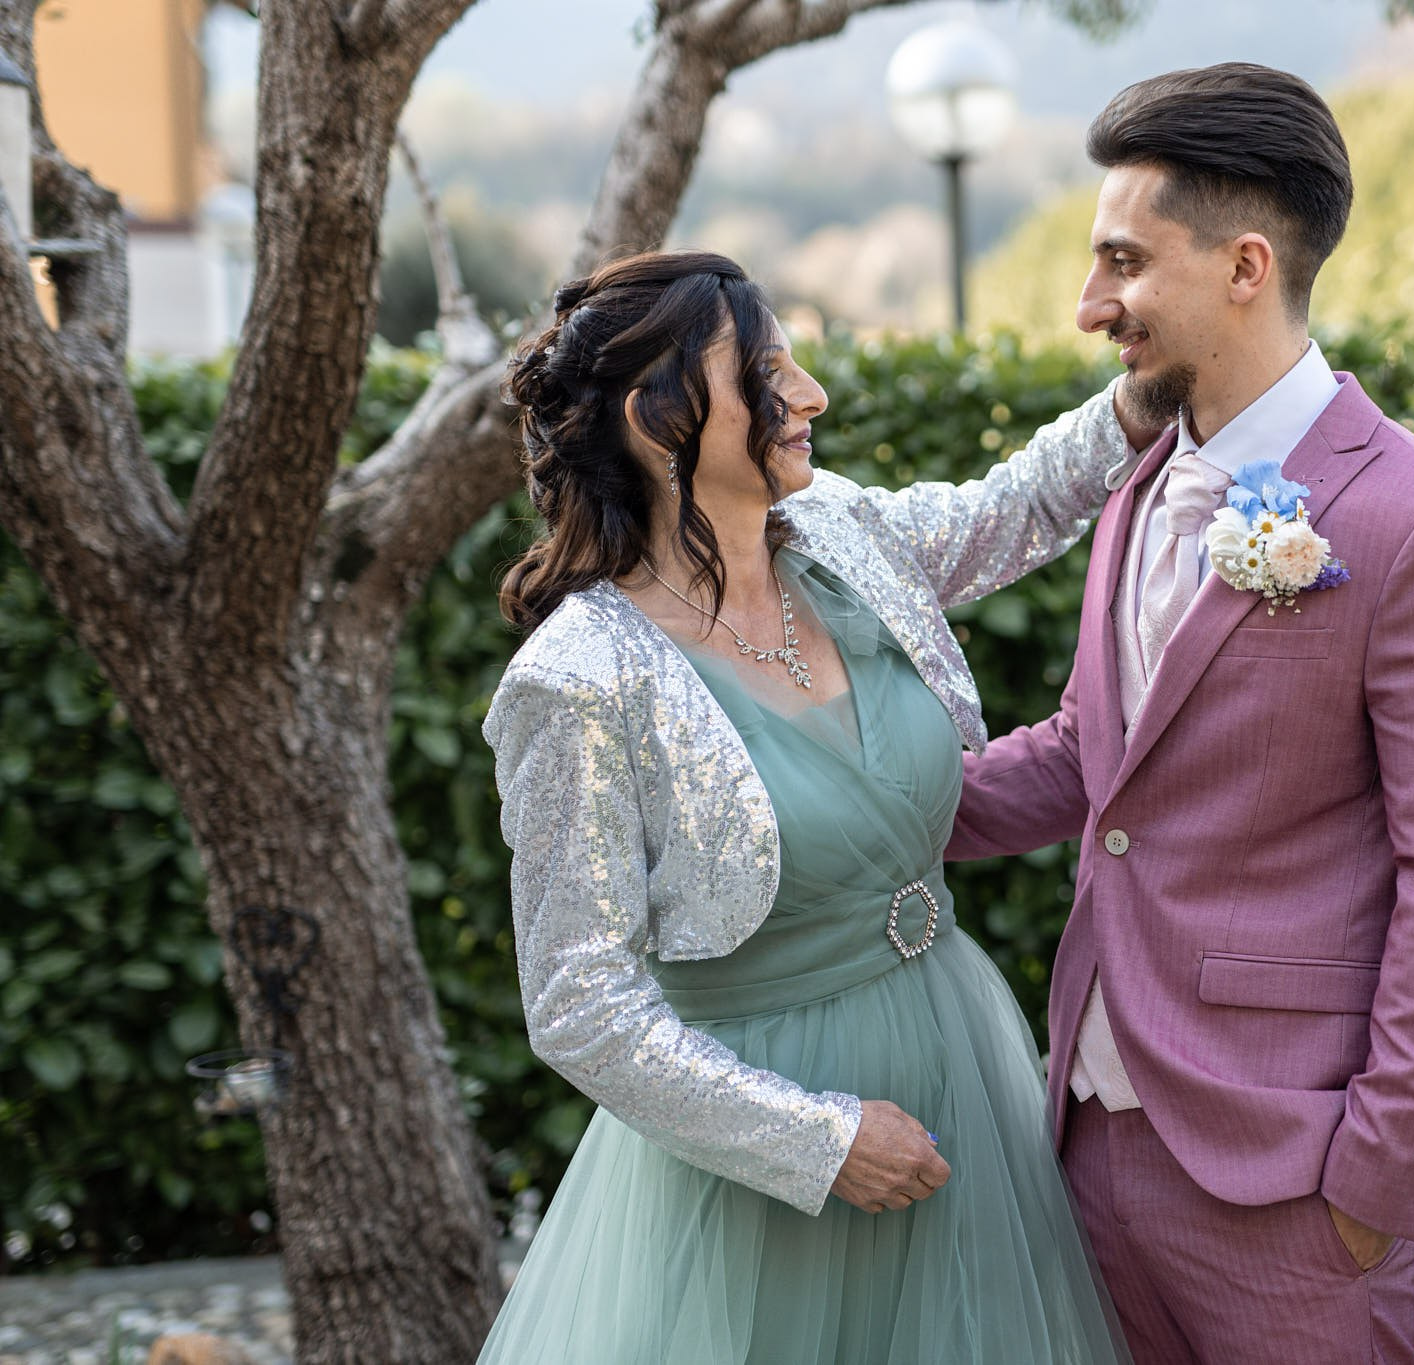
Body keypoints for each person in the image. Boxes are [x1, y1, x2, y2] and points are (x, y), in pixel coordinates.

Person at [946, 64, 1414, 1364]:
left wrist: (1379, 1182)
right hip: (1090, 1142)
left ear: (1244, 266)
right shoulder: (1140, 484)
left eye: (1122, 262)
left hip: (1294, 1181)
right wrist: (853, 801)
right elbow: (1095, 757)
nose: (1090, 304)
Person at [477, 249, 1142, 1364]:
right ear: (656, 416)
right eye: (768, 372)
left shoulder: (837, 534)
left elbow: (1011, 508)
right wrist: (816, 1142)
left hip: (960, 1071)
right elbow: (579, 1003)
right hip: (761, 1165)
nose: (812, 396)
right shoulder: (579, 680)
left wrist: (1143, 400)